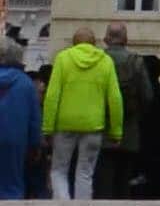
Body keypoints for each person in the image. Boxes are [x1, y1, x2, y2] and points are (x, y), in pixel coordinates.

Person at [40, 25, 120, 197]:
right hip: (93, 126)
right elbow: (115, 99)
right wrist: (116, 131)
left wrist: (47, 128)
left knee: (59, 170)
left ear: (73, 43)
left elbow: (52, 96)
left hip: (65, 125)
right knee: (85, 172)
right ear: (94, 43)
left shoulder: (63, 59)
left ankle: (63, 205)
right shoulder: (105, 61)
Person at [96, 25, 152, 196]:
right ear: (126, 39)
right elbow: (147, 95)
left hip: (101, 126)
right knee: (124, 176)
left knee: (103, 176)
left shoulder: (98, 60)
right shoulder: (135, 61)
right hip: (129, 126)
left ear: (106, 38)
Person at [0, 29, 41, 198]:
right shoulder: (25, 83)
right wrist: (35, 144)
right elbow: (34, 119)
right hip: (14, 139)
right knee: (11, 184)